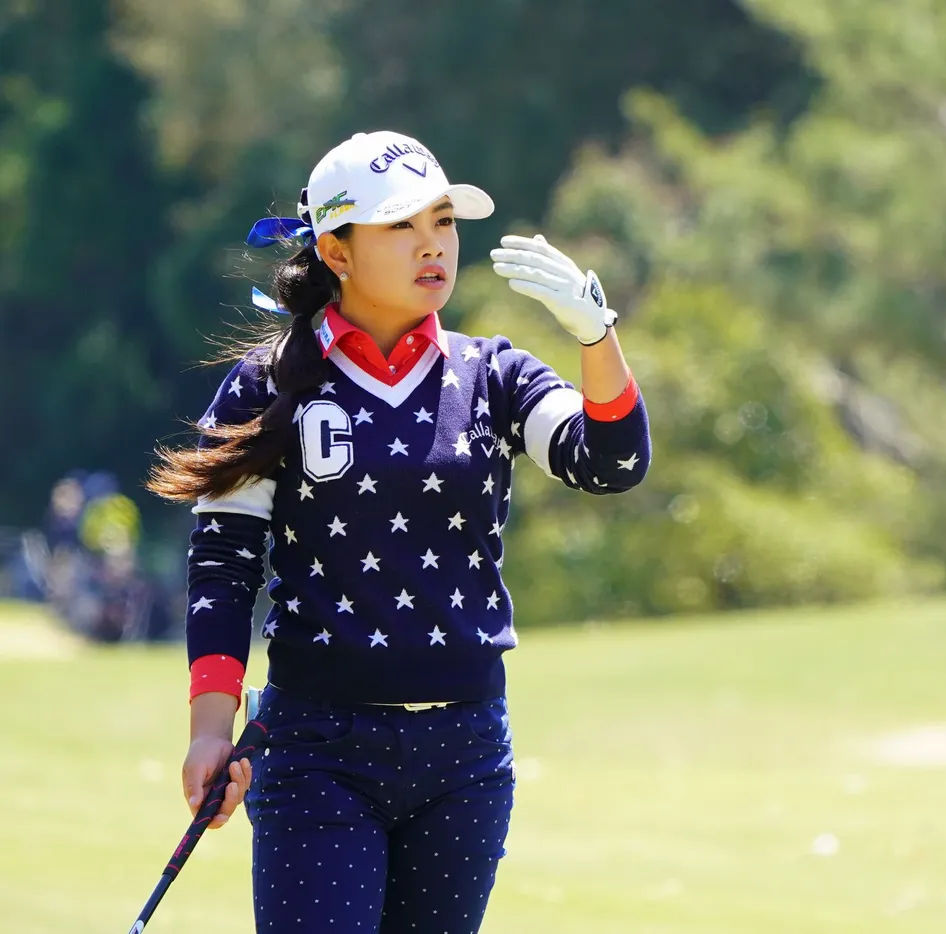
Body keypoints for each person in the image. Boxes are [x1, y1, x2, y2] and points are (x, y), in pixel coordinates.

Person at [146, 130, 651, 933]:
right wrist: (210, 731)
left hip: (465, 755)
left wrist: (598, 339)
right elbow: (223, 567)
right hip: (316, 749)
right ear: (336, 251)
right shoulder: (267, 385)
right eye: (402, 226)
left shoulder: (495, 374)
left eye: (443, 222)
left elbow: (611, 463)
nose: (433, 245)